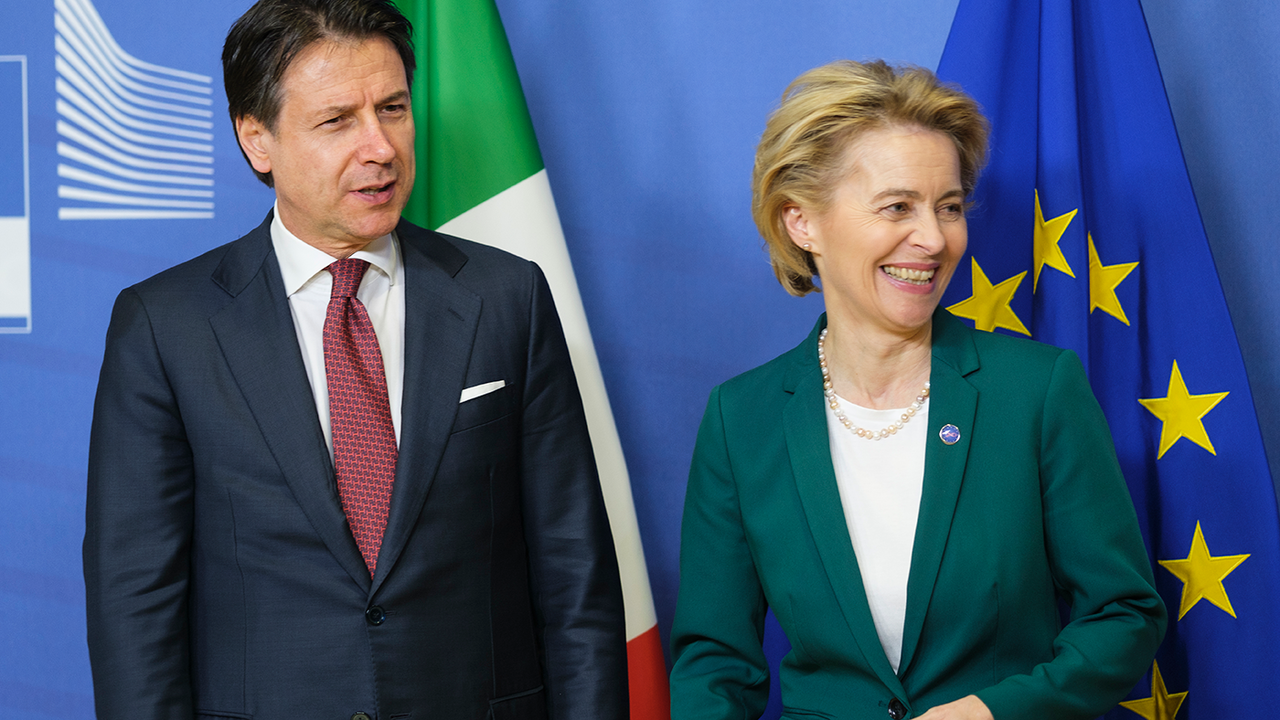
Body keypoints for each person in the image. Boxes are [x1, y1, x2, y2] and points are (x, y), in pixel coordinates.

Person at [83, 1, 627, 718]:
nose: (380, 146)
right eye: (337, 121)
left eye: (394, 108)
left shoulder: (506, 296)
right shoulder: (165, 326)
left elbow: (574, 572)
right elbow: (134, 602)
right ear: (257, 140)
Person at [669, 60, 1165, 720]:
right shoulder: (742, 418)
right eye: (897, 206)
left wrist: (993, 712)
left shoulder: (1037, 392)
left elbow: (1124, 615)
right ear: (801, 223)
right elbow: (715, 661)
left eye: (950, 207)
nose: (934, 239)